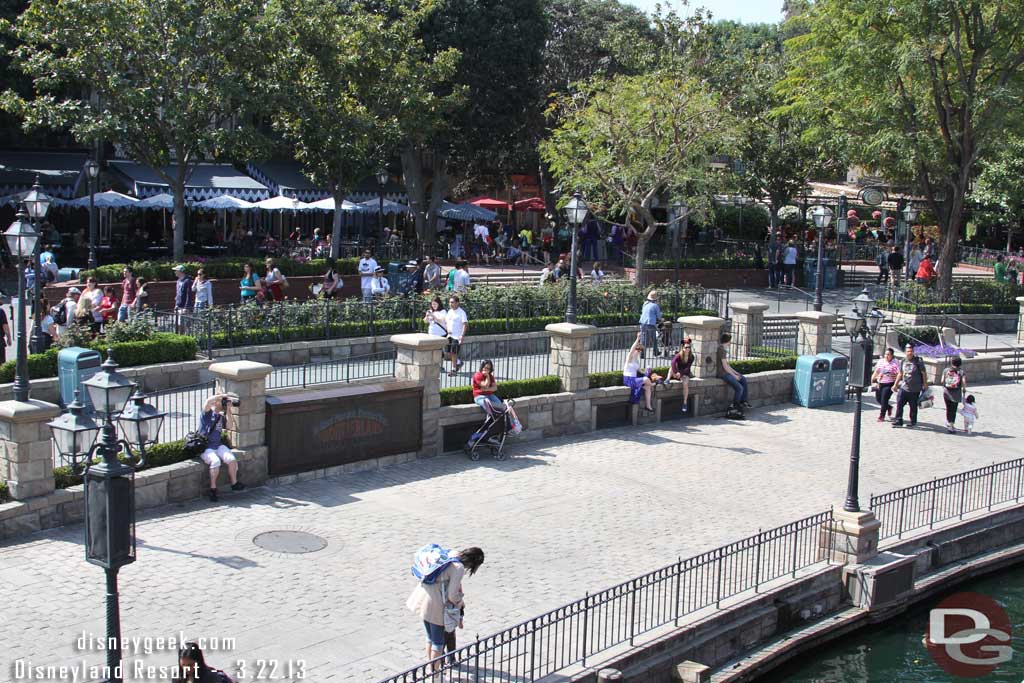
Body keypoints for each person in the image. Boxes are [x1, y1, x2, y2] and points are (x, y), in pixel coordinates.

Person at [406, 547, 485, 668]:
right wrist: (460, 603)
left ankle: (432, 667)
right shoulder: (458, 567)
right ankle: (436, 676)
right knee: (438, 643)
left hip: (423, 598)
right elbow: (452, 595)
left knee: (430, 638)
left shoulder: (451, 553)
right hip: (436, 604)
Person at [198, 393, 245, 502]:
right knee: (216, 461)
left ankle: (234, 483)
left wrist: (228, 409)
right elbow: (207, 402)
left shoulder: (220, 416)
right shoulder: (206, 414)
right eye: (221, 402)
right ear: (215, 402)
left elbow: (229, 426)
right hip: (206, 447)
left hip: (218, 445)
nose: (222, 403)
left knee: (232, 459)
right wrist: (221, 396)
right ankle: (213, 489)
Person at [892, 343, 927, 428]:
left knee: (913, 406)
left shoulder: (918, 361)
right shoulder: (903, 361)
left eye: (911, 351)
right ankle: (898, 420)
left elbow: (923, 373)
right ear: (905, 352)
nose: (909, 353)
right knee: (899, 403)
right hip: (904, 387)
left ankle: (913, 421)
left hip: (915, 388)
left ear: (913, 352)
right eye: (908, 351)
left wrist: (925, 384)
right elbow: (900, 373)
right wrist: (895, 385)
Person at [717, 332, 750, 411]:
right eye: (730, 340)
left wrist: (736, 372)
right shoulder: (721, 350)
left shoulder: (723, 349)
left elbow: (727, 365)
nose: (730, 342)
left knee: (743, 379)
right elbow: (725, 367)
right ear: (727, 341)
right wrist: (734, 376)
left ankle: (743, 401)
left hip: (727, 372)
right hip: (723, 374)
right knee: (739, 388)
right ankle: (736, 404)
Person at [623, 334, 655, 413]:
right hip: (628, 380)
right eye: (638, 350)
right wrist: (637, 339)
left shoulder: (636, 361)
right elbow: (632, 349)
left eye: (640, 351)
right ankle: (652, 384)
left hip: (634, 380)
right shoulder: (629, 358)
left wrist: (647, 370)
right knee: (646, 380)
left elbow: (641, 372)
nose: (638, 352)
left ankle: (648, 406)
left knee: (647, 388)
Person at [871, 347, 899, 422]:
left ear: (892, 355)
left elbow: (899, 373)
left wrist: (896, 382)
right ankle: (889, 407)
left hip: (889, 384)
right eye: (886, 354)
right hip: (880, 383)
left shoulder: (895, 362)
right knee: (878, 399)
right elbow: (876, 371)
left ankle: (881, 416)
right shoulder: (881, 361)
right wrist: (872, 379)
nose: (887, 356)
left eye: (889, 354)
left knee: (884, 399)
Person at [941, 357, 967, 434]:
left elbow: (942, 381)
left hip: (946, 393)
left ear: (952, 363)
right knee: (953, 410)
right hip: (956, 394)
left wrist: (945, 386)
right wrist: (964, 389)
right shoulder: (961, 372)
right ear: (960, 364)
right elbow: (964, 382)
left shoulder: (946, 370)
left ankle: (948, 422)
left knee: (948, 409)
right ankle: (951, 427)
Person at [668, 338, 694, 413]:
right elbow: (673, 363)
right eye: (686, 347)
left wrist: (681, 374)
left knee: (685, 384)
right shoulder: (679, 355)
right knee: (671, 368)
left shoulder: (691, 357)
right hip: (677, 373)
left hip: (685, 374)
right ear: (682, 348)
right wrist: (676, 372)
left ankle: (685, 403)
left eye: (689, 347)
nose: (688, 349)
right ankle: (667, 379)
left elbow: (687, 368)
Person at [444, 295, 468, 376]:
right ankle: (458, 362)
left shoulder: (462, 312)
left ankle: (453, 369)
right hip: (449, 336)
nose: (450, 304)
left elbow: (465, 324)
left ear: (457, 303)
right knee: (448, 353)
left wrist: (462, 336)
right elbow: (446, 321)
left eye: (452, 302)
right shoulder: (449, 311)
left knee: (454, 353)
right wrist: (448, 330)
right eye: (450, 302)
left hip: (457, 337)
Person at [638, 290, 662, 357]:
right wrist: (661, 319)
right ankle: (656, 352)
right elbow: (659, 317)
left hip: (642, 323)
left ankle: (642, 354)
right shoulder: (655, 306)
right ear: (656, 299)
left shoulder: (645, 303)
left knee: (643, 339)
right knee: (654, 338)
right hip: (650, 323)